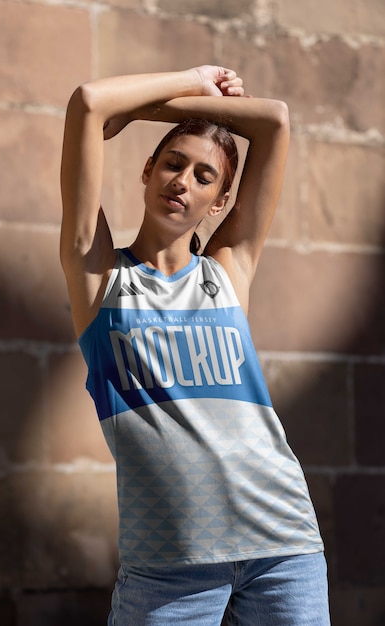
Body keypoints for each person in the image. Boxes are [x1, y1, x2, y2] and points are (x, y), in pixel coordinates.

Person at [60, 65, 330, 625]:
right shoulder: (101, 280)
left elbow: (275, 121)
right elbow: (88, 104)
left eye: (205, 176)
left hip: (282, 544)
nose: (183, 181)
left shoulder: (229, 270)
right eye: (172, 163)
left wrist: (155, 111)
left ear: (219, 200)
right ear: (148, 170)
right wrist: (191, 81)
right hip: (167, 563)